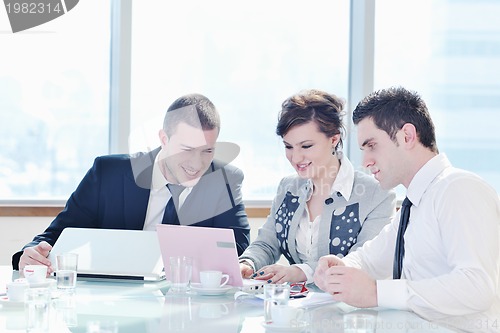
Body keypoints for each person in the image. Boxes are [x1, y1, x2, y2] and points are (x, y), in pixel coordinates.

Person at [313, 86, 500, 332]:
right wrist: (338, 268)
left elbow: (478, 287)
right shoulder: (413, 205)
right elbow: (369, 259)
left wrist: (376, 292)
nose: (365, 162)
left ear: (407, 136)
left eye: (372, 145)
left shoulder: (457, 189)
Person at [13, 93, 250, 273]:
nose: (197, 163)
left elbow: (236, 248)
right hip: (110, 304)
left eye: (207, 150)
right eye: (187, 149)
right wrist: (29, 254)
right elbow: (59, 233)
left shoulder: (224, 180)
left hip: (184, 307)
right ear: (164, 139)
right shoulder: (108, 174)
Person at [239, 89, 396, 284]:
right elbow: (267, 243)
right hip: (296, 310)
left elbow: (364, 262)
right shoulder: (288, 187)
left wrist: (301, 272)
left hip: (351, 310)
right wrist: (248, 263)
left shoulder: (377, 194)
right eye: (288, 146)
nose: (295, 158)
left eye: (306, 146)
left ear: (334, 139)